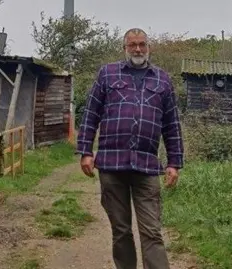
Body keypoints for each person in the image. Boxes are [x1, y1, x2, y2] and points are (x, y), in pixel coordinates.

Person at [76, 27, 184, 269]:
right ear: (125, 48)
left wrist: (174, 163)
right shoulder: (107, 74)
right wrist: (85, 151)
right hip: (112, 166)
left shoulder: (162, 80)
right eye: (132, 44)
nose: (137, 49)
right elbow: (90, 114)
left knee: (152, 231)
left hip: (146, 167)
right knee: (121, 230)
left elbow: (172, 125)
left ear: (149, 47)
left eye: (142, 44)